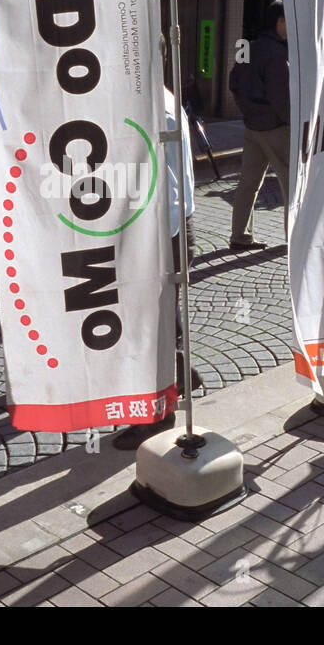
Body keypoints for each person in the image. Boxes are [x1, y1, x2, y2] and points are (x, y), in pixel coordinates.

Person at [112, 86, 202, 450]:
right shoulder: (161, 96)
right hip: (171, 229)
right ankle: (182, 375)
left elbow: (170, 188)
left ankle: (157, 416)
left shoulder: (151, 105)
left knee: (149, 328)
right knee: (162, 320)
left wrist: (151, 246)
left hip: (164, 232)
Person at [228, 0, 291, 250]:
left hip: (252, 126)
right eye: (288, 22)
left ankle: (239, 236)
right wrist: (291, 123)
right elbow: (281, 97)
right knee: (291, 186)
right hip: (276, 128)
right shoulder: (278, 54)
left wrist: (247, 112)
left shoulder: (247, 47)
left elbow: (234, 83)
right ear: (279, 22)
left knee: (248, 183)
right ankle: (294, 240)